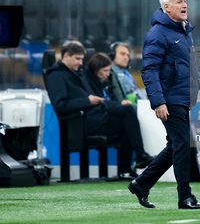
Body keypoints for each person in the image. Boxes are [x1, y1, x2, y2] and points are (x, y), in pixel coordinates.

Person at [127, 0, 200, 210]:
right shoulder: (158, 34)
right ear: (167, 8)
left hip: (182, 96)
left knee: (175, 145)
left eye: (185, 1)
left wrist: (196, 84)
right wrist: (158, 101)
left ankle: (141, 184)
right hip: (169, 98)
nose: (185, 5)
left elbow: (190, 64)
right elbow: (149, 70)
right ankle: (185, 197)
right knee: (182, 145)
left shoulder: (184, 30)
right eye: (179, 2)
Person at [45, 41, 154, 180]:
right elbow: (60, 105)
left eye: (82, 59)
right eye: (77, 59)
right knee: (127, 116)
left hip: (94, 115)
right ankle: (139, 157)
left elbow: (99, 100)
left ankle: (128, 168)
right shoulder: (56, 76)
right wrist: (87, 101)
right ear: (66, 55)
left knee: (127, 113)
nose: (80, 63)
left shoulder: (76, 74)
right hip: (81, 122)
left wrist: (117, 104)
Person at [107, 42, 142, 107]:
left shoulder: (127, 74)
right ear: (112, 55)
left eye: (128, 55)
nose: (126, 58)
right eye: (122, 54)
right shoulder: (110, 72)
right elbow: (120, 102)